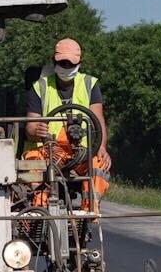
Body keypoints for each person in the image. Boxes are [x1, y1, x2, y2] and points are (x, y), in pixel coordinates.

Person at [23, 38, 110, 209]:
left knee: (99, 164)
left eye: (70, 64)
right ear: (54, 61)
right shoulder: (40, 87)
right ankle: (39, 213)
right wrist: (36, 130)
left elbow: (98, 120)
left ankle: (89, 209)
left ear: (79, 63)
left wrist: (101, 147)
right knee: (31, 166)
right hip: (48, 151)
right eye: (62, 63)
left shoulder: (89, 84)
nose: (66, 67)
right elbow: (30, 126)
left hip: (81, 153)